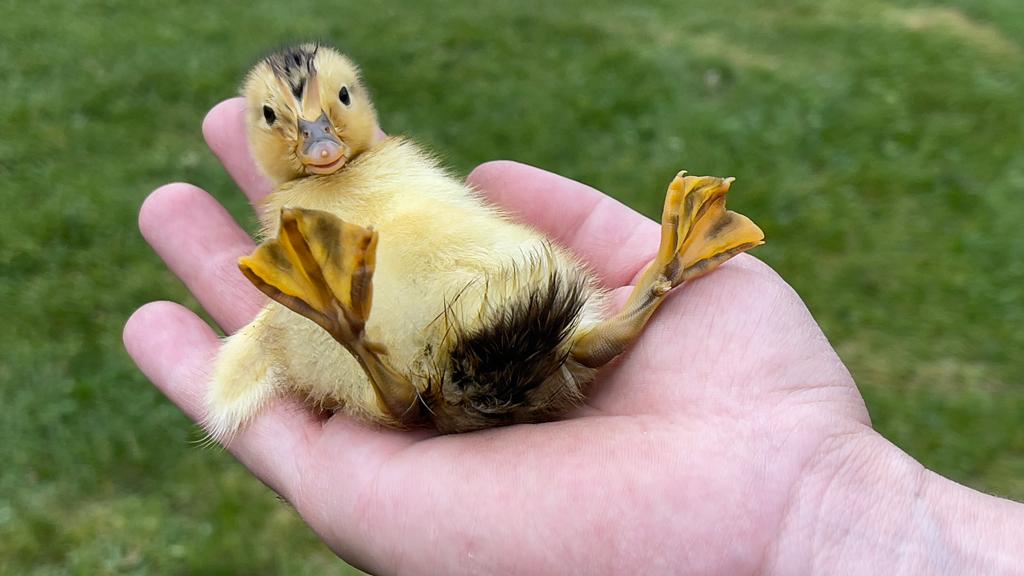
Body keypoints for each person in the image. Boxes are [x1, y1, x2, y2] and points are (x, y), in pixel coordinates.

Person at [124, 98, 1022, 575]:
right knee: (529, 329)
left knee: (519, 321)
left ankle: (651, 280)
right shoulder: (320, 229)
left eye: (333, 108)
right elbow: (254, 360)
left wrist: (809, 514)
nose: (319, 136)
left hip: (470, 352)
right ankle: (372, 340)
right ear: (263, 133)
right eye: (286, 123)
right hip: (445, 369)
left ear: (358, 102)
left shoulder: (348, 211)